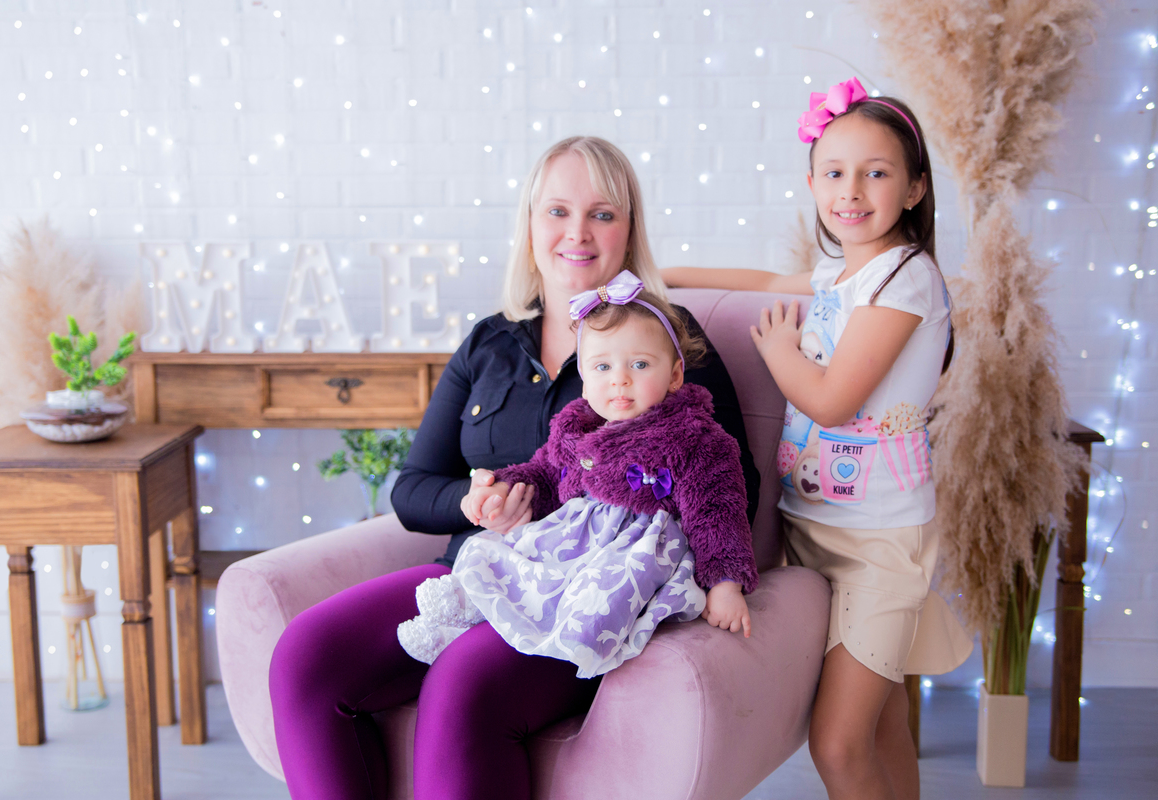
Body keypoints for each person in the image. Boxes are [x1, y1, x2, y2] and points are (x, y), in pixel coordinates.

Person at [268, 135, 762, 800]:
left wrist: (647, 520)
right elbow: (411, 491)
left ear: (629, 230)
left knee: (464, 683)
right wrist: (479, 502)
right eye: (557, 211)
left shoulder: (664, 340)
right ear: (530, 226)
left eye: (602, 214)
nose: (577, 233)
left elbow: (733, 488)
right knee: (305, 658)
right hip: (482, 572)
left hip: (590, 593)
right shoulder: (490, 342)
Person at [664, 77, 971, 800]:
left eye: (876, 173)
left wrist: (780, 352)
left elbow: (833, 402)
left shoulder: (906, 279)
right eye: (833, 173)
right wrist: (660, 272)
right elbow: (770, 278)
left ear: (915, 188)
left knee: (837, 744)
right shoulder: (844, 271)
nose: (850, 191)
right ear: (811, 184)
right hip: (813, 528)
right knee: (882, 724)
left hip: (877, 543)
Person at [396, 272, 758, 678]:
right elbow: (546, 474)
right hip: (569, 546)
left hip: (632, 556)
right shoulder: (577, 427)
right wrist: (504, 486)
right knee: (510, 566)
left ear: (675, 376)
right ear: (584, 381)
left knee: (593, 602)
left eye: (640, 364)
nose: (619, 378)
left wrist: (726, 583)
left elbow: (718, 512)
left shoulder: (695, 438)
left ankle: (551, 650)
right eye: (602, 366)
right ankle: (455, 621)